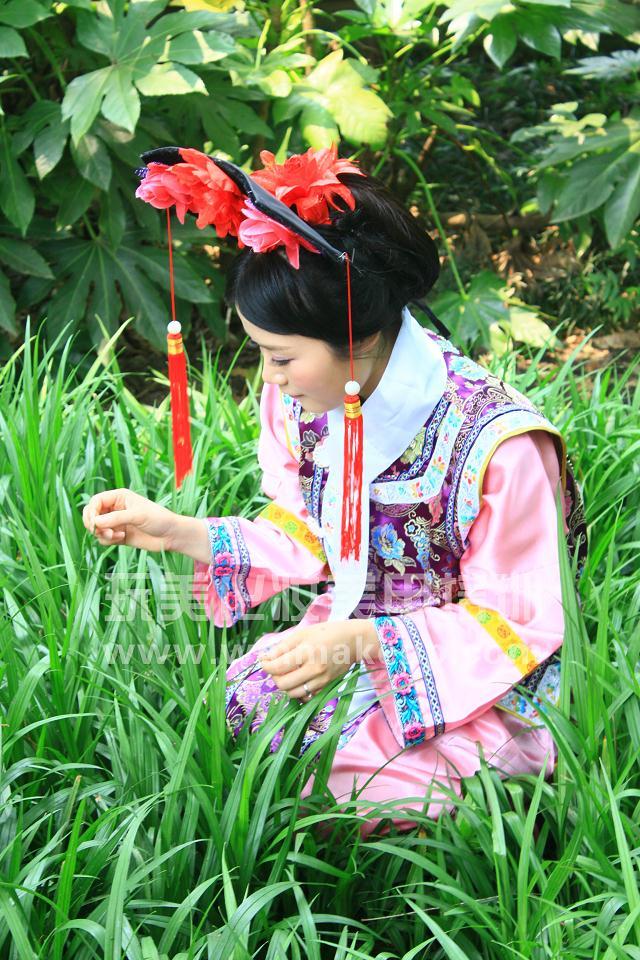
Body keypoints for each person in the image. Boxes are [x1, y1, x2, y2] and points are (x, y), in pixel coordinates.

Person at [82, 145, 587, 838]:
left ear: (358, 334)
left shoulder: (498, 444)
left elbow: (520, 613)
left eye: (282, 357)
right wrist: (179, 531)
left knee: (343, 792)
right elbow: (312, 532)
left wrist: (364, 643)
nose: (269, 378)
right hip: (351, 625)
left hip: (477, 673)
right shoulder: (308, 400)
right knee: (234, 722)